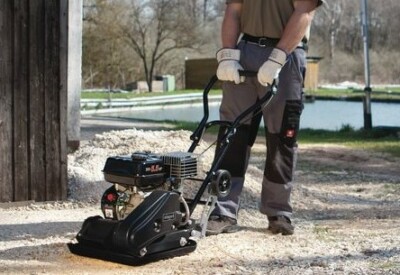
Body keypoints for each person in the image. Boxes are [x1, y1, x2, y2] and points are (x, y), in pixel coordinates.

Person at [206, 0, 323, 236]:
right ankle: (223, 209)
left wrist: (277, 57)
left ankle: (278, 210)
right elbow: (233, 10)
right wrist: (228, 54)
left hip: (287, 53)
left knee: (282, 137)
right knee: (232, 133)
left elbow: (304, 12)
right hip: (245, 50)